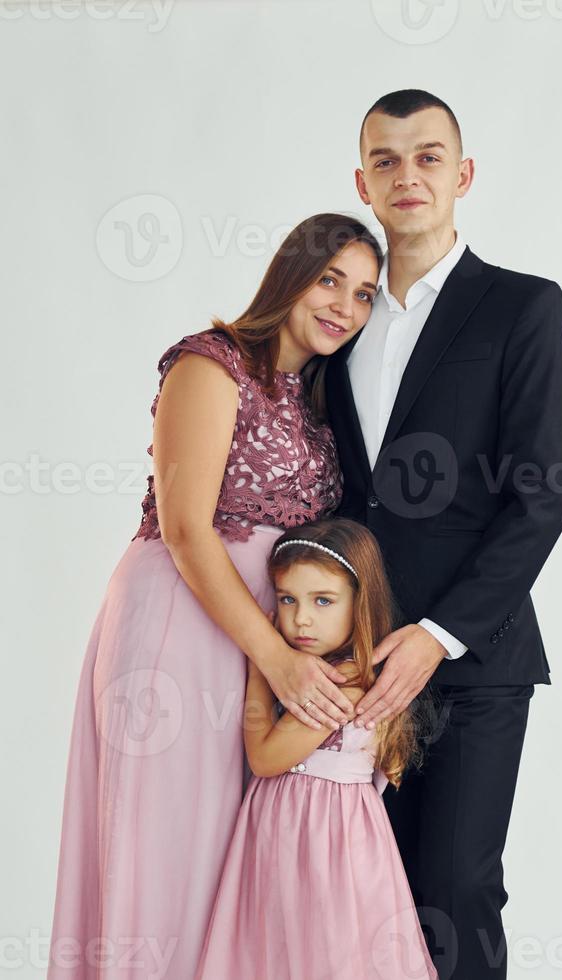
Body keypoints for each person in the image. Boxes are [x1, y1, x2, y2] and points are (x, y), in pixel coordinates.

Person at [46, 214, 383, 980]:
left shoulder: (321, 401)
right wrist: (276, 657)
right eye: (330, 279)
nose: (344, 306)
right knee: (166, 854)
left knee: (239, 867)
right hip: (184, 621)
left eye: (364, 294)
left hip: (265, 642)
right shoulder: (211, 363)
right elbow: (185, 525)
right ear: (289, 273)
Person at [325, 90, 562, 980]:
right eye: (386, 160)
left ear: (462, 175)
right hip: (348, 668)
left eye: (429, 156)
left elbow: (540, 500)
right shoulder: (336, 324)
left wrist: (434, 638)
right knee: (360, 897)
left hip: (473, 664)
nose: (408, 175)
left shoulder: (521, 308)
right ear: (363, 181)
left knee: (455, 896)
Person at [194, 517, 439, 980]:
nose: (301, 618)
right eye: (288, 599)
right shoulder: (345, 676)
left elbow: (264, 758)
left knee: (315, 950)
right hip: (314, 836)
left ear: (360, 605)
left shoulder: (339, 690)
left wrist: (258, 667)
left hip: (315, 839)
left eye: (322, 601)